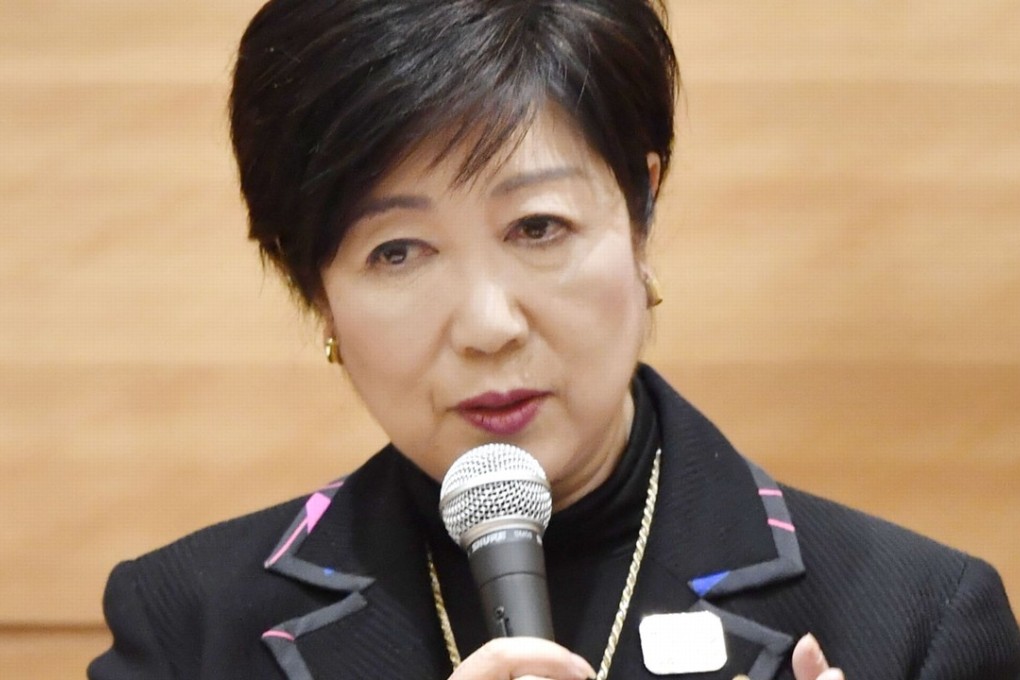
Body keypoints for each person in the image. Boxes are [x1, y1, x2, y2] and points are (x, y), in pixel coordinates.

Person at [88, 1, 1020, 678]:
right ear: (316, 290)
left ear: (640, 210)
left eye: (537, 228)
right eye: (398, 250)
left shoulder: (912, 623)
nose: (490, 326)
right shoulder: (191, 629)